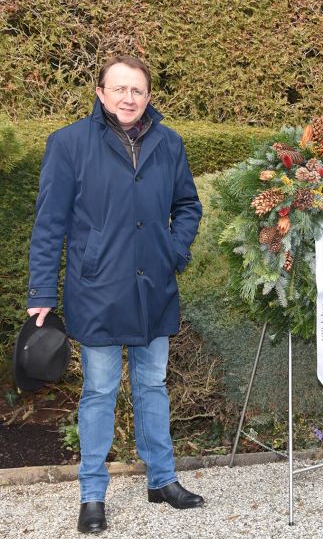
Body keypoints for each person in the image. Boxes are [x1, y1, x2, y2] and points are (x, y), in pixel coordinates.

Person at [27, 55, 204, 534]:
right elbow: (49, 225)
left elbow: (187, 204)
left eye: (138, 90)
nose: (129, 98)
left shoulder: (168, 142)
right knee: (100, 391)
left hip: (155, 289)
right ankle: (91, 494)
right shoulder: (68, 144)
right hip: (97, 291)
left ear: (149, 96)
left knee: (152, 387)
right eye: (119, 89)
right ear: (101, 92)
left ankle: (162, 480)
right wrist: (42, 290)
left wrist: (174, 250)